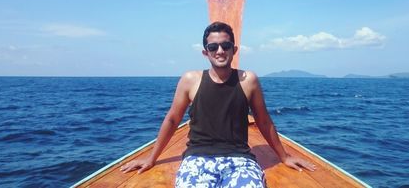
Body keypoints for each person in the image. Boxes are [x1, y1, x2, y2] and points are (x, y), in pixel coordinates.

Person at [121, 21, 315, 187]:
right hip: (197, 159)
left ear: (234, 49)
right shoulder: (190, 79)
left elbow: (263, 121)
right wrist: (151, 158)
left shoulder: (248, 80)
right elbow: (172, 120)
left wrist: (284, 156)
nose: (220, 51)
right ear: (206, 52)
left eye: (225, 45)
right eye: (213, 47)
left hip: (240, 160)